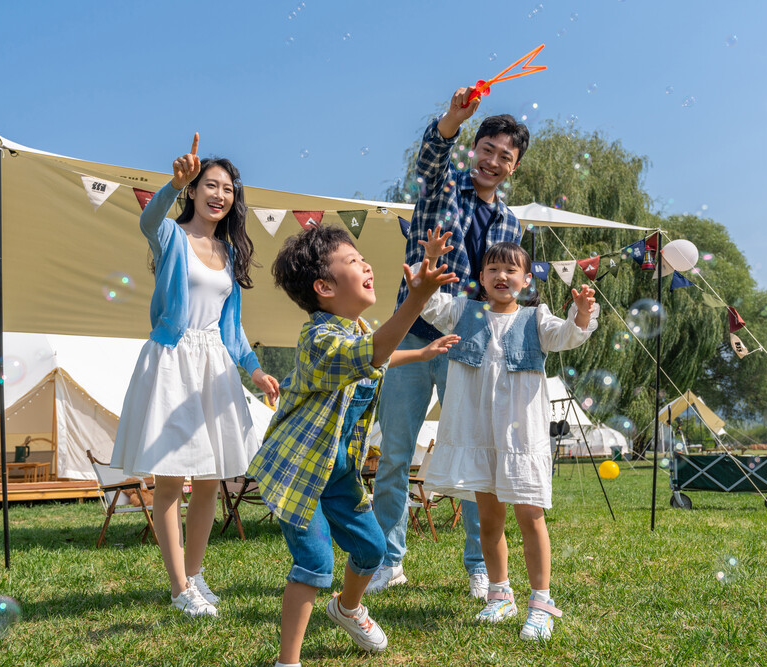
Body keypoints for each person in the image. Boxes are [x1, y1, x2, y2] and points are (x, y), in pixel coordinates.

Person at [246, 225, 459, 667]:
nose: (365, 265)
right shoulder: (318, 340)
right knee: (315, 563)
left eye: (363, 258)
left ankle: (346, 607)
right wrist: (415, 300)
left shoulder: (357, 328)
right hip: (300, 473)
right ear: (323, 287)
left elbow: (375, 350)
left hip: (338, 471)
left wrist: (419, 354)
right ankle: (288, 661)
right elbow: (371, 353)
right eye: (353, 261)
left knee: (372, 548)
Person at [369, 86, 531, 598]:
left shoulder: (511, 222)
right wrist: (451, 120)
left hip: (470, 346)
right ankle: (387, 561)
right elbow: (432, 155)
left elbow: (504, 288)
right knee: (394, 455)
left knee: (473, 454)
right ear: (474, 149)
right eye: (488, 150)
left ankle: (480, 565)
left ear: (514, 167)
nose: (494, 161)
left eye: (506, 156)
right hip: (412, 337)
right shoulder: (441, 188)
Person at [110, 134, 280, 617]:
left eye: (227, 188)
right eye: (209, 184)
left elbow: (232, 328)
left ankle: (198, 574)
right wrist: (172, 183)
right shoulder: (171, 236)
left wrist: (256, 370)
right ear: (193, 188)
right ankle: (179, 586)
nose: (219, 194)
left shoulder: (229, 253)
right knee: (171, 481)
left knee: (210, 480)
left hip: (215, 366)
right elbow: (147, 219)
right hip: (172, 361)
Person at [417, 238, 598, 641]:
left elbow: (568, 335)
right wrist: (430, 261)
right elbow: (428, 303)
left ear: (527, 279)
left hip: (521, 436)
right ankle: (500, 593)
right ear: (480, 278)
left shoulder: (537, 319)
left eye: (511, 269)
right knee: (489, 519)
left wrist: (582, 314)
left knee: (530, 517)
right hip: (477, 432)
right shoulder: (464, 311)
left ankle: (541, 601)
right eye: (493, 269)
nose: (502, 276)